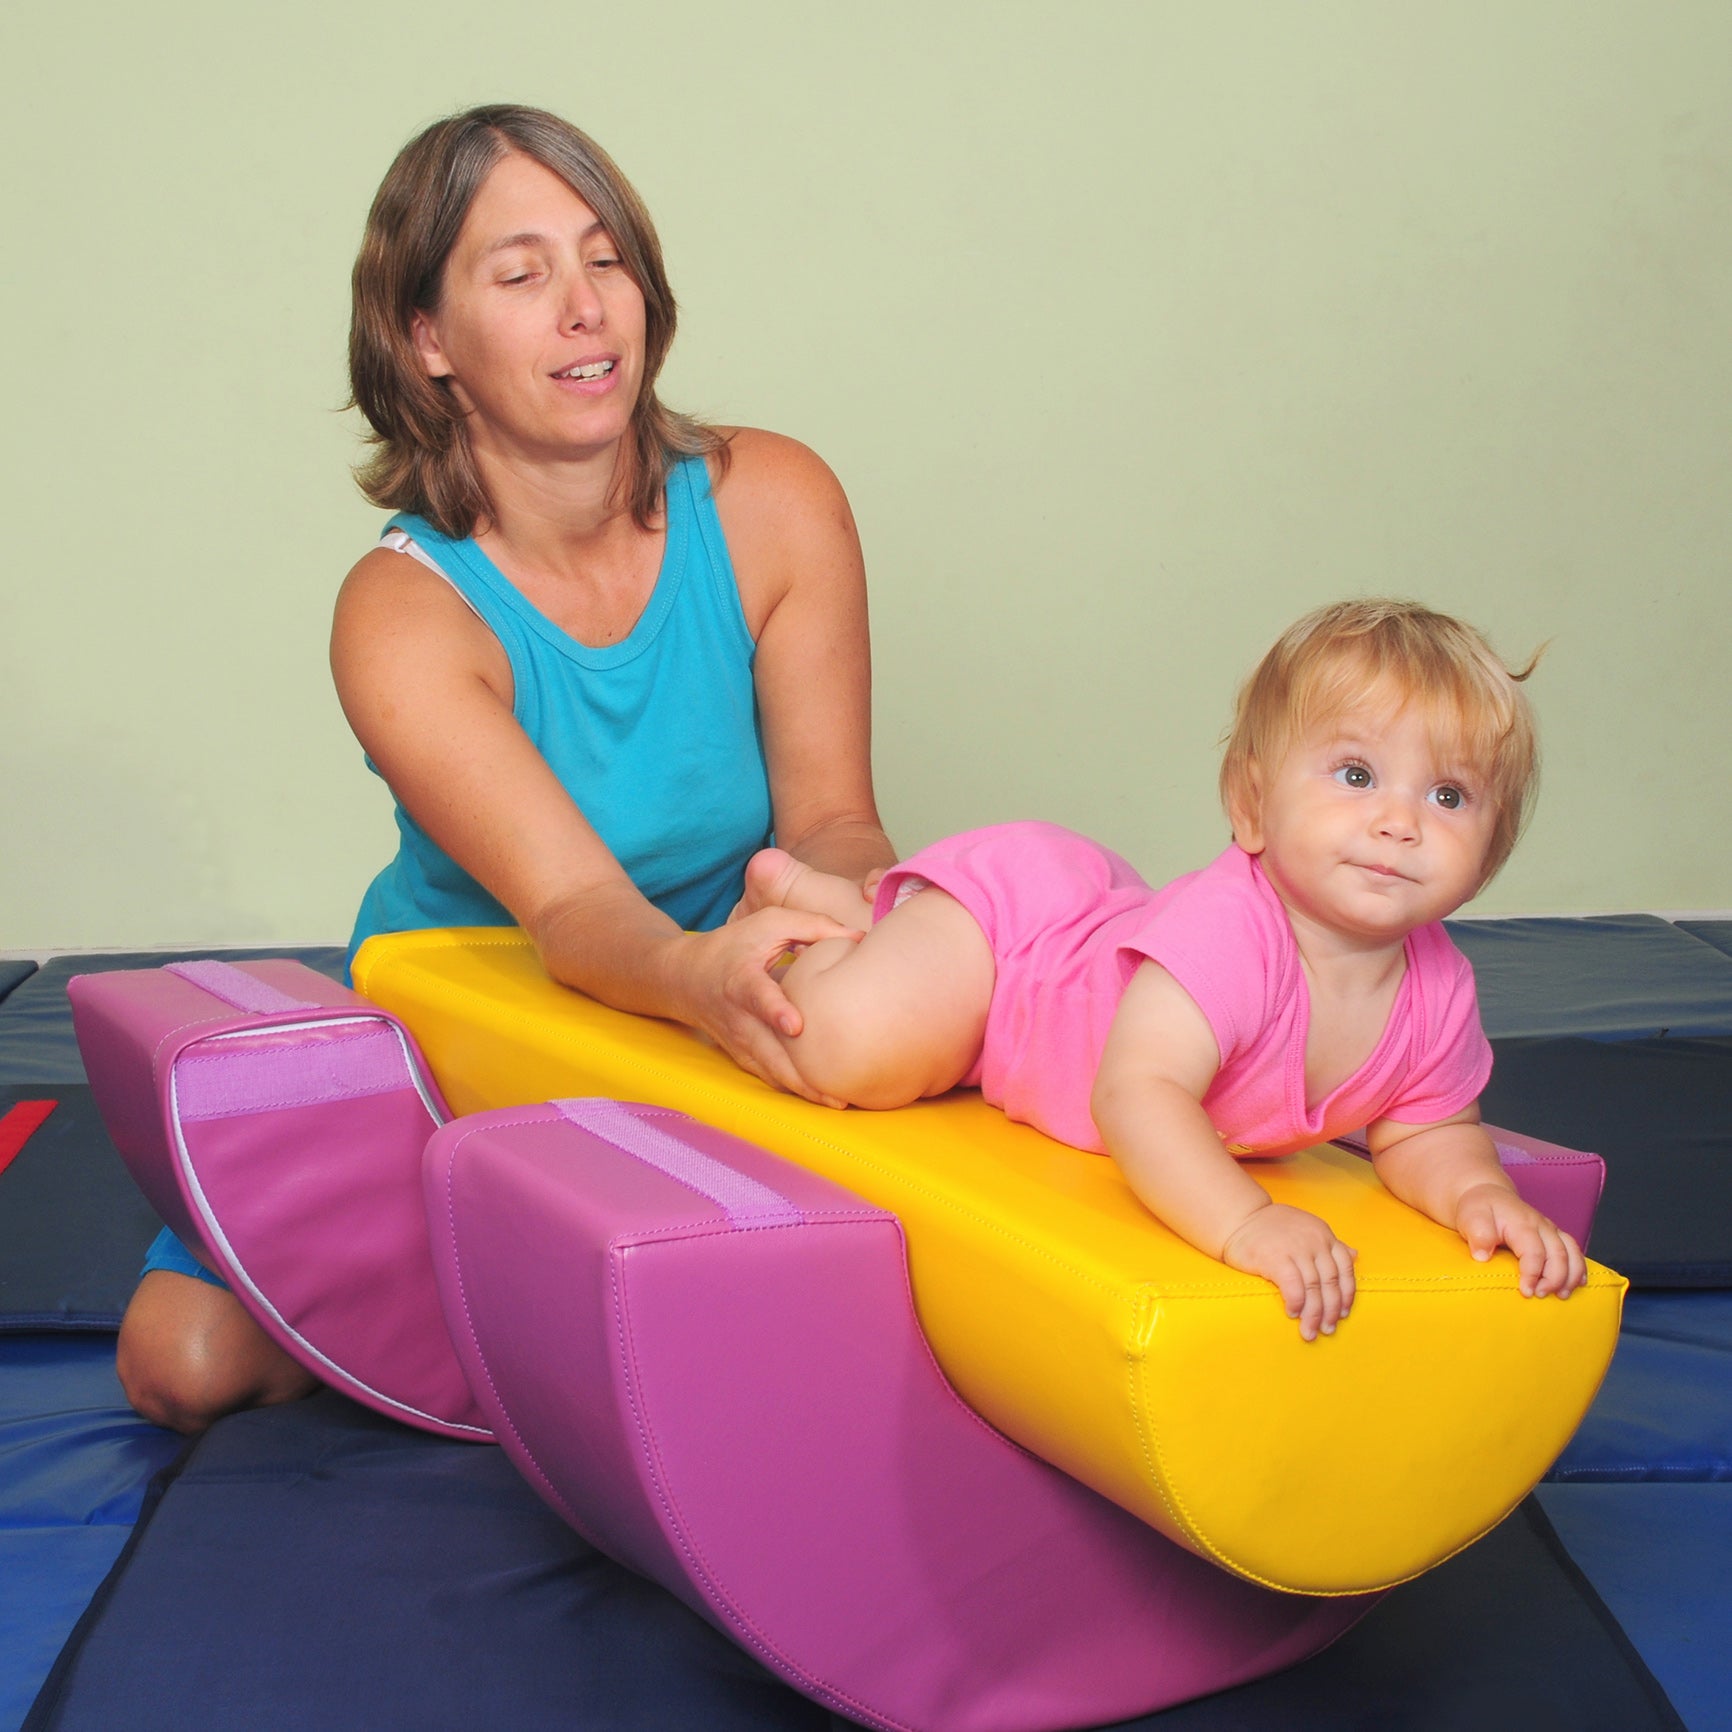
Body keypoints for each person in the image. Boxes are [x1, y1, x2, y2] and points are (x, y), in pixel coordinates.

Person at [117, 104, 894, 1431]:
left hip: (712, 1011)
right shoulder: (402, 612)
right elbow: (580, 918)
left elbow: (835, 822)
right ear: (428, 341)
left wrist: (828, 919)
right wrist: (705, 976)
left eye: (607, 261)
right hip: (476, 1029)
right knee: (178, 1361)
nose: (585, 309)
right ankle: (504, 1274)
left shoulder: (775, 501)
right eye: (521, 274)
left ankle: (550, 1286)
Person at [732, 599, 1588, 1341]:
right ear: (1251, 806)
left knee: (908, 1027)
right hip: (1013, 949)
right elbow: (1138, 1093)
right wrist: (1245, 1222)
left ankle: (863, 910)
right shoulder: (1234, 933)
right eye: (1357, 775)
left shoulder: (1438, 990)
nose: (1400, 820)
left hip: (1086, 944)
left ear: (1491, 852)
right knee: (856, 1049)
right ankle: (814, 919)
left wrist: (1482, 1196)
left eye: (1448, 796)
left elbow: (1426, 1131)